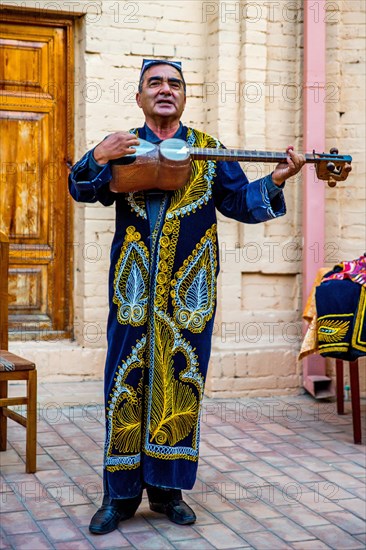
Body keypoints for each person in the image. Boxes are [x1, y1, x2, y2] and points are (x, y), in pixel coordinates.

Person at [69, 59, 305, 535]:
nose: (165, 89)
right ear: (139, 98)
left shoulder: (207, 151)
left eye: (174, 83)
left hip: (188, 296)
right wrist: (97, 154)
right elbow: (82, 189)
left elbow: (239, 202)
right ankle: (118, 497)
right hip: (133, 292)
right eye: (154, 82)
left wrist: (277, 178)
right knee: (126, 383)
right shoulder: (123, 147)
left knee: (181, 383)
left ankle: (167, 493)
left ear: (184, 96)